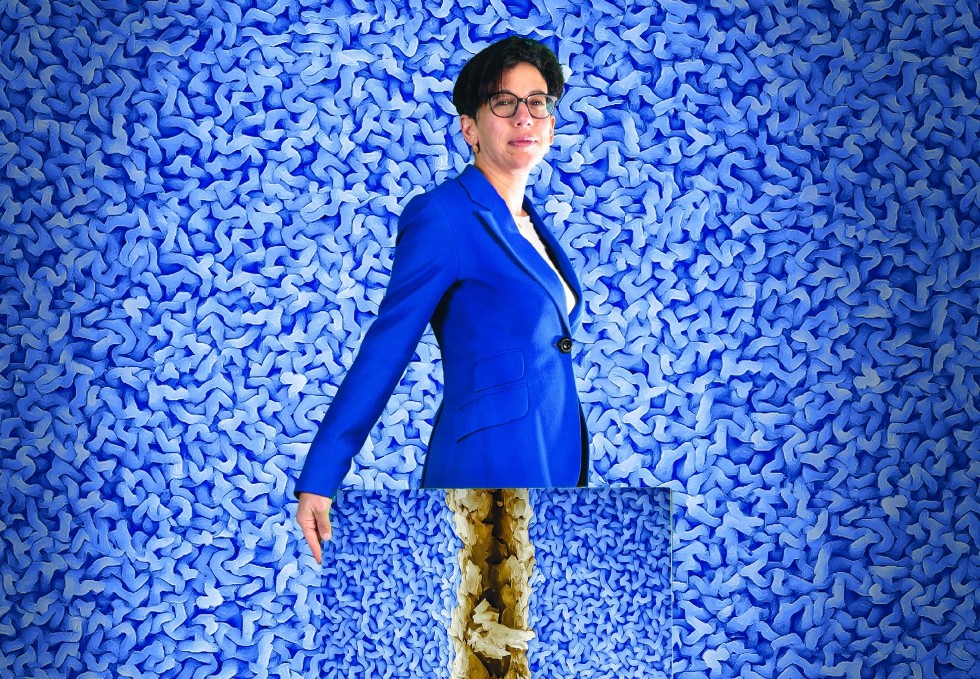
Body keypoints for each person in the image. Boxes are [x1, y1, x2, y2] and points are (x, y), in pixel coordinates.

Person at [295, 35, 588, 564]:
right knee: (482, 641)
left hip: (554, 464)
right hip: (486, 469)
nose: (525, 117)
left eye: (538, 103)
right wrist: (322, 475)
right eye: (505, 102)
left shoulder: (533, 227)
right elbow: (387, 347)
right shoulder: (444, 216)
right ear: (469, 128)